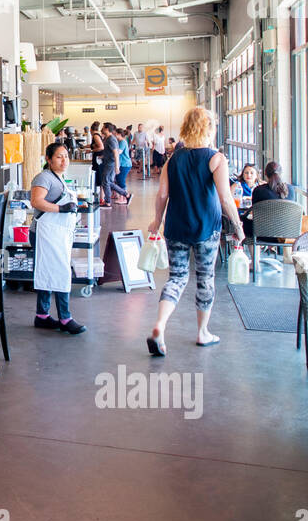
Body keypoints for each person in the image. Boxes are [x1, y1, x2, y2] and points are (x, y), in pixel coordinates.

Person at [145, 107, 246, 356]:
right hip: (206, 227)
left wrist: (157, 220)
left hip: (176, 225)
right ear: (209, 128)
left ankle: (160, 325)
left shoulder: (173, 160)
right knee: (205, 279)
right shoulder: (216, 159)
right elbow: (224, 198)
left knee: (177, 278)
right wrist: (238, 225)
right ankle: (202, 333)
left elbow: (162, 195)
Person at [28, 142, 86, 335]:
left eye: (66, 156)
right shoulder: (44, 177)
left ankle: (42, 316)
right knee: (60, 271)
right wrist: (61, 208)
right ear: (48, 159)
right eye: (59, 157)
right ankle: (65, 317)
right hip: (44, 234)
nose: (64, 161)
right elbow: (36, 201)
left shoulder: (59, 178)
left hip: (56, 233)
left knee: (49, 270)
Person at [243, 161, 291, 242]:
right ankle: (288, 255)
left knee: (247, 223)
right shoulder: (291, 189)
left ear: (265, 174)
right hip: (287, 233)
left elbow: (254, 213)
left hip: (262, 233)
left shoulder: (258, 190)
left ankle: (255, 255)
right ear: (281, 173)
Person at [113, 127, 133, 202]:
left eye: (115, 134)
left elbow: (119, 152)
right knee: (119, 180)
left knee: (121, 181)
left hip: (125, 164)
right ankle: (122, 197)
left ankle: (124, 198)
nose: (114, 135)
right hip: (122, 164)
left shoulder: (122, 142)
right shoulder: (119, 141)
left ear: (119, 134)